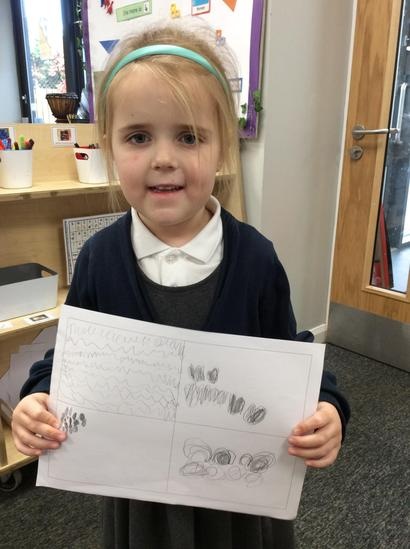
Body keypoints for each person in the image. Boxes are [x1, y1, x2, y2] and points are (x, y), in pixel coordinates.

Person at [12, 21, 350, 549]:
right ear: (109, 147)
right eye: (138, 137)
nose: (164, 157)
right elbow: (69, 360)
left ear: (222, 149)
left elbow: (291, 356)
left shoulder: (256, 259)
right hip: (141, 499)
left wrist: (328, 407)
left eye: (189, 136)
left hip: (239, 500)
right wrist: (37, 397)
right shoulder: (99, 260)